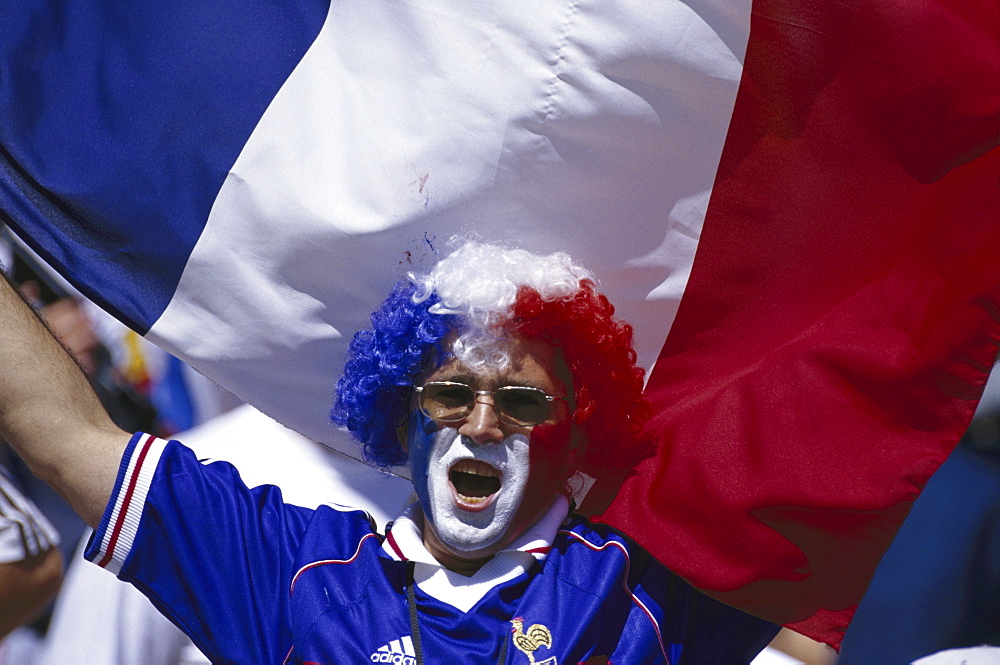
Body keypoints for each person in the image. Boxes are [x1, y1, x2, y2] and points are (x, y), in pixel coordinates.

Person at [0, 240, 779, 663]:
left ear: (575, 433)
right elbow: (66, 439)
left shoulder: (647, 589)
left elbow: (855, 443)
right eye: (450, 394)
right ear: (403, 419)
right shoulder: (293, 568)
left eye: (521, 402)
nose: (482, 424)